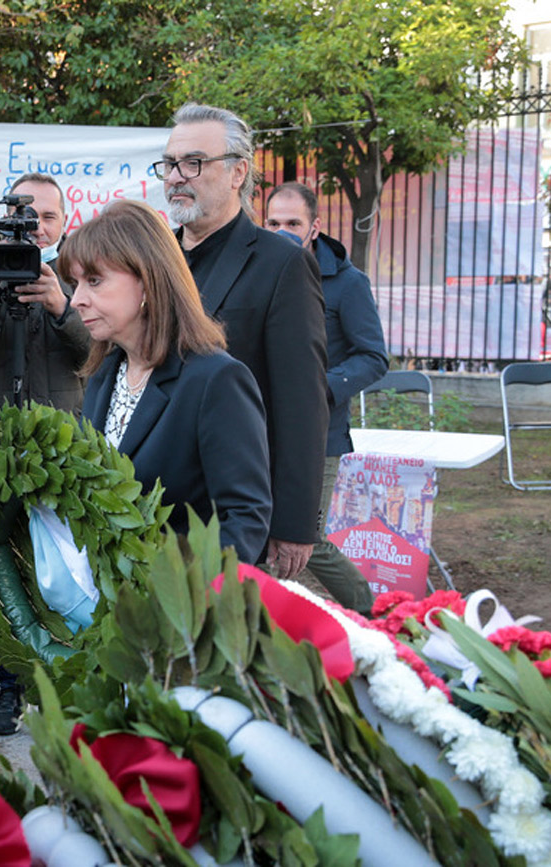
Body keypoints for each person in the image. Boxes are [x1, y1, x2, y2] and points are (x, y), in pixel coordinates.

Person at [0, 172, 90, 735]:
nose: (36, 228)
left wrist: (60, 306)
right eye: (25, 218)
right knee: (0, 574)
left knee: (65, 575)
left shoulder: (80, 277)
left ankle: (65, 682)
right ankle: (8, 689)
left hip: (62, 452)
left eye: (47, 218)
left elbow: (94, 353)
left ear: (61, 224)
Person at [160, 103, 329, 579]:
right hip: (151, 502)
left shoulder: (282, 264)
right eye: (170, 164)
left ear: (238, 172)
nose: (177, 176)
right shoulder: (155, 259)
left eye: (193, 163)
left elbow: (302, 401)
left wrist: (294, 522)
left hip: (233, 511)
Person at [68, 200, 272, 562]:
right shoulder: (104, 376)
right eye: (76, 283)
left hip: (182, 607)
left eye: (94, 281)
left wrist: (180, 597)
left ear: (148, 281)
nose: (77, 300)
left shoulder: (216, 380)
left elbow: (244, 520)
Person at [265, 182, 387, 611]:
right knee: (258, 535)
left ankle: (376, 614)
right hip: (260, 431)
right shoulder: (259, 272)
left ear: (314, 227)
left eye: (293, 223)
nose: (283, 231)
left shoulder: (348, 283)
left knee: (305, 540)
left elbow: (373, 357)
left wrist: (317, 390)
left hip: (320, 434)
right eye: (274, 223)